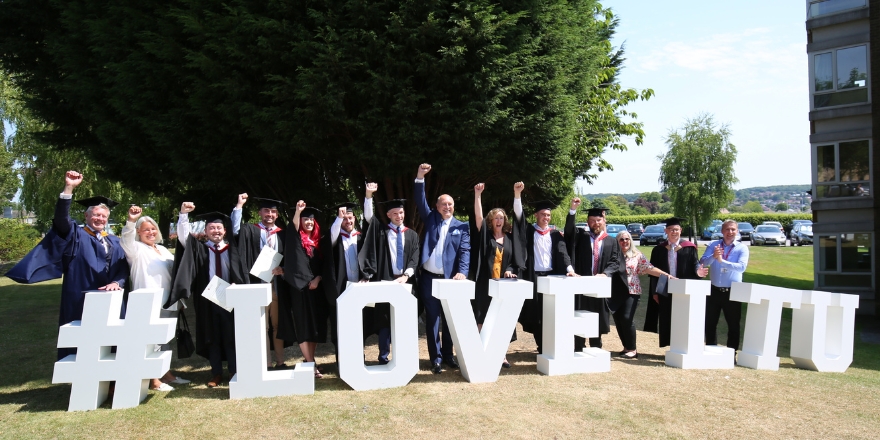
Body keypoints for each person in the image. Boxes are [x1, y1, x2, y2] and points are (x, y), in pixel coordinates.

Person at [6, 171, 129, 361]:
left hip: (110, 298)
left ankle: (110, 381)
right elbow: (61, 219)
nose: (100, 219)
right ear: (86, 216)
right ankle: (79, 379)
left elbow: (122, 268)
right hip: (80, 297)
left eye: (104, 216)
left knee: (112, 337)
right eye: (96, 215)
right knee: (81, 338)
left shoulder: (114, 241)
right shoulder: (75, 235)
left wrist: (117, 282)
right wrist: (69, 189)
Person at [168, 204, 239, 388]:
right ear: (205, 231)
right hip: (207, 300)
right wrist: (183, 215)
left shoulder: (233, 250)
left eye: (219, 228)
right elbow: (183, 238)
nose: (216, 231)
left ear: (224, 230)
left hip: (230, 298)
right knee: (211, 336)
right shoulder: (199, 249)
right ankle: (216, 373)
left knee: (231, 335)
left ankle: (233, 370)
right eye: (212, 228)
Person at [120, 205, 190, 391]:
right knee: (151, 341)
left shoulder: (162, 249)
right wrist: (132, 220)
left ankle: (166, 374)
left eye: (153, 229)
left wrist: (179, 300)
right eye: (145, 230)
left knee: (166, 339)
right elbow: (126, 237)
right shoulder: (135, 249)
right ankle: (153, 380)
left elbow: (174, 277)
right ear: (139, 233)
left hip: (169, 301)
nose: (150, 232)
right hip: (149, 303)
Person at [414, 163, 470, 374]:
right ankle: (435, 359)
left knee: (449, 319)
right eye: (443, 204)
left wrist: (463, 271)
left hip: (450, 280)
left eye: (450, 204)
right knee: (433, 319)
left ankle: (448, 355)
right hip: (428, 278)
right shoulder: (430, 219)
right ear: (437, 207)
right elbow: (420, 200)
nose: (447, 207)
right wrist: (420, 176)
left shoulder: (461, 226)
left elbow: (465, 251)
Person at [510, 182, 578, 354]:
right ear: (536, 215)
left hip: (552, 277)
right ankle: (541, 346)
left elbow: (563, 253)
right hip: (533, 277)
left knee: (552, 314)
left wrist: (569, 268)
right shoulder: (529, 232)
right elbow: (519, 216)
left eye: (548, 215)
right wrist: (517, 195)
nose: (546, 217)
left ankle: (551, 346)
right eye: (542, 214)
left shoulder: (556, 235)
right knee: (536, 314)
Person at [231, 194, 294, 369]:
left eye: (273, 212)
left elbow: (291, 258)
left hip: (276, 286)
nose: (270, 214)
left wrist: (284, 270)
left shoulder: (282, 235)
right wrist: (239, 207)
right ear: (260, 213)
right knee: (262, 326)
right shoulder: (250, 230)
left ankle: (280, 362)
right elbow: (234, 231)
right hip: (257, 284)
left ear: (277, 215)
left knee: (277, 325)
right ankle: (265, 362)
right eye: (266, 210)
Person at [358, 198, 420, 365]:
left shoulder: (412, 235)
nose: (398, 216)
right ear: (388, 215)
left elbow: (414, 259)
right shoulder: (381, 232)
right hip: (385, 280)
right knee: (384, 321)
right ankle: (383, 356)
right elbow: (369, 217)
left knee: (402, 320)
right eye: (395, 213)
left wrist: (406, 276)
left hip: (404, 282)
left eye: (401, 212)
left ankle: (404, 358)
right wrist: (369, 196)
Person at [320, 185, 376, 362]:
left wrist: (368, 197)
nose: (348, 222)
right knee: (339, 325)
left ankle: (359, 358)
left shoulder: (361, 238)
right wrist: (339, 217)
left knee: (359, 324)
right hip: (340, 289)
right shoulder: (334, 238)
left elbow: (369, 220)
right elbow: (331, 236)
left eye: (350, 218)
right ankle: (341, 360)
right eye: (345, 219)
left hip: (358, 287)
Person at [563, 199, 626, 351]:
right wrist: (573, 210)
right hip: (581, 284)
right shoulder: (581, 237)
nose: (596, 223)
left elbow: (616, 261)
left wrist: (606, 273)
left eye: (598, 220)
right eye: (592, 220)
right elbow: (569, 231)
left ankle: (596, 346)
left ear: (604, 220)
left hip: (599, 286)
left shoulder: (611, 241)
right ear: (588, 222)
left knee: (597, 317)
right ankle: (577, 346)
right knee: (579, 314)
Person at [472, 183, 517, 368]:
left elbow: (515, 260)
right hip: (485, 283)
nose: (499, 220)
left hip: (503, 285)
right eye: (496, 218)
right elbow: (478, 216)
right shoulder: (485, 236)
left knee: (502, 319)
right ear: (491, 220)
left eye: (501, 218)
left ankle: (502, 355)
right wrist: (477, 195)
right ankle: (482, 352)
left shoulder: (510, 238)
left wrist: (511, 270)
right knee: (483, 317)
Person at [646, 217, 708, 347]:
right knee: (666, 316)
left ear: (681, 230)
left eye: (676, 229)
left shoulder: (690, 248)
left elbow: (695, 264)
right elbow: (652, 274)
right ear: (666, 231)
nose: (674, 232)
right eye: (671, 230)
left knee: (682, 317)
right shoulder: (658, 249)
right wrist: (655, 292)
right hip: (665, 288)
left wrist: (698, 272)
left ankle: (681, 345)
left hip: (683, 288)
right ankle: (668, 345)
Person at [614, 230, 674, 359]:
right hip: (615, 292)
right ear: (617, 242)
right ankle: (626, 346)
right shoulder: (612, 255)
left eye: (627, 239)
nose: (625, 242)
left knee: (626, 318)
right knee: (618, 320)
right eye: (621, 239)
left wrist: (665, 275)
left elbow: (649, 268)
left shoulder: (637, 255)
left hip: (632, 291)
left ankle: (632, 349)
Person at [286, 202, 328, 378]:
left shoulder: (319, 242)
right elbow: (294, 226)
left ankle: (311, 360)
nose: (309, 222)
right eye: (305, 219)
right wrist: (298, 212)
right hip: (301, 289)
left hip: (316, 289)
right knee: (304, 325)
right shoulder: (296, 238)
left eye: (311, 220)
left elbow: (323, 267)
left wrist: (318, 279)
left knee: (315, 326)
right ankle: (310, 363)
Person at [700, 219, 749, 351]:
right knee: (710, 323)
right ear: (722, 231)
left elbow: (742, 267)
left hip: (733, 291)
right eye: (727, 229)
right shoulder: (714, 245)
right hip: (714, 290)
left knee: (733, 325)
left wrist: (722, 261)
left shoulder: (742, 248)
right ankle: (711, 349)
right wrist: (713, 256)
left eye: (733, 229)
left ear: (737, 231)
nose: (730, 232)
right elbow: (703, 262)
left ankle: (732, 353)